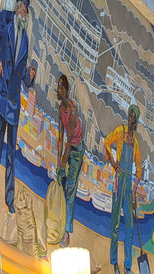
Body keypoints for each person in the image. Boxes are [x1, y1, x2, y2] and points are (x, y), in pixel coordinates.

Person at [0, 0, 37, 214]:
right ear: (17, 8)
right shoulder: (6, 19)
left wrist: (31, 75)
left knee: (10, 154)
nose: (24, 13)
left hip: (14, 102)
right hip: (2, 94)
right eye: (23, 8)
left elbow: (23, 75)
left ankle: (9, 199)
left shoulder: (25, 38)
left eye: (26, 10)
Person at [104, 104, 143, 274]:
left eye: (134, 117)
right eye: (130, 116)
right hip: (119, 180)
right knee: (115, 225)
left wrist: (135, 191)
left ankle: (128, 266)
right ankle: (114, 261)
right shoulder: (120, 130)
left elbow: (140, 170)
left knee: (129, 227)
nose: (131, 119)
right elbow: (106, 142)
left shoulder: (136, 143)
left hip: (129, 185)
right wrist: (113, 163)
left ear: (137, 121)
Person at [55, 73, 84, 247]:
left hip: (76, 151)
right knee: (60, 184)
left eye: (59, 87)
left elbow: (69, 141)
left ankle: (66, 233)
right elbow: (60, 136)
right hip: (67, 148)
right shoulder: (61, 109)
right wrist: (58, 162)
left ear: (65, 90)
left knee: (70, 190)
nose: (57, 89)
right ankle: (59, 224)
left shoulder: (72, 111)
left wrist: (63, 162)